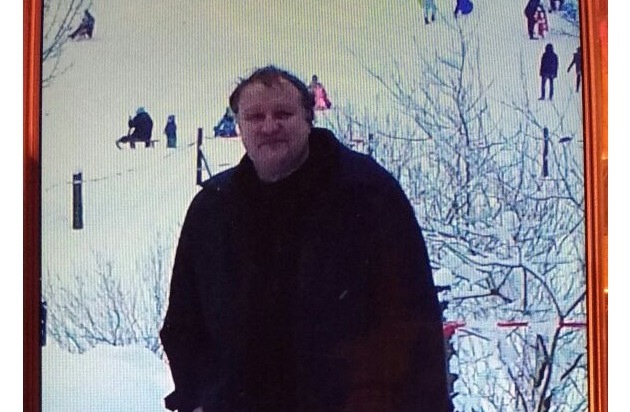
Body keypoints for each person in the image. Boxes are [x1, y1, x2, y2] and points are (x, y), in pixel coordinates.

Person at [160, 65, 451, 412]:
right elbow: (183, 324)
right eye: (255, 117)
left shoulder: (367, 195)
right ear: (238, 125)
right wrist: (200, 398)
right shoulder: (213, 209)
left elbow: (414, 320)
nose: (269, 127)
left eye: (283, 114)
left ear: (309, 118)